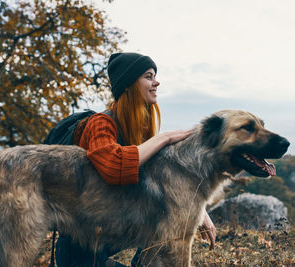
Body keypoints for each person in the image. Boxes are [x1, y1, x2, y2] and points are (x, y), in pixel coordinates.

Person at [54, 52, 216, 267]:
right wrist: (164, 138)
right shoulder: (100, 124)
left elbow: (164, 178)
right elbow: (115, 166)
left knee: (164, 215)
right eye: (148, 76)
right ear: (129, 84)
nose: (156, 82)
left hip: (110, 233)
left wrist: (199, 211)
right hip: (80, 248)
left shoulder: (138, 129)